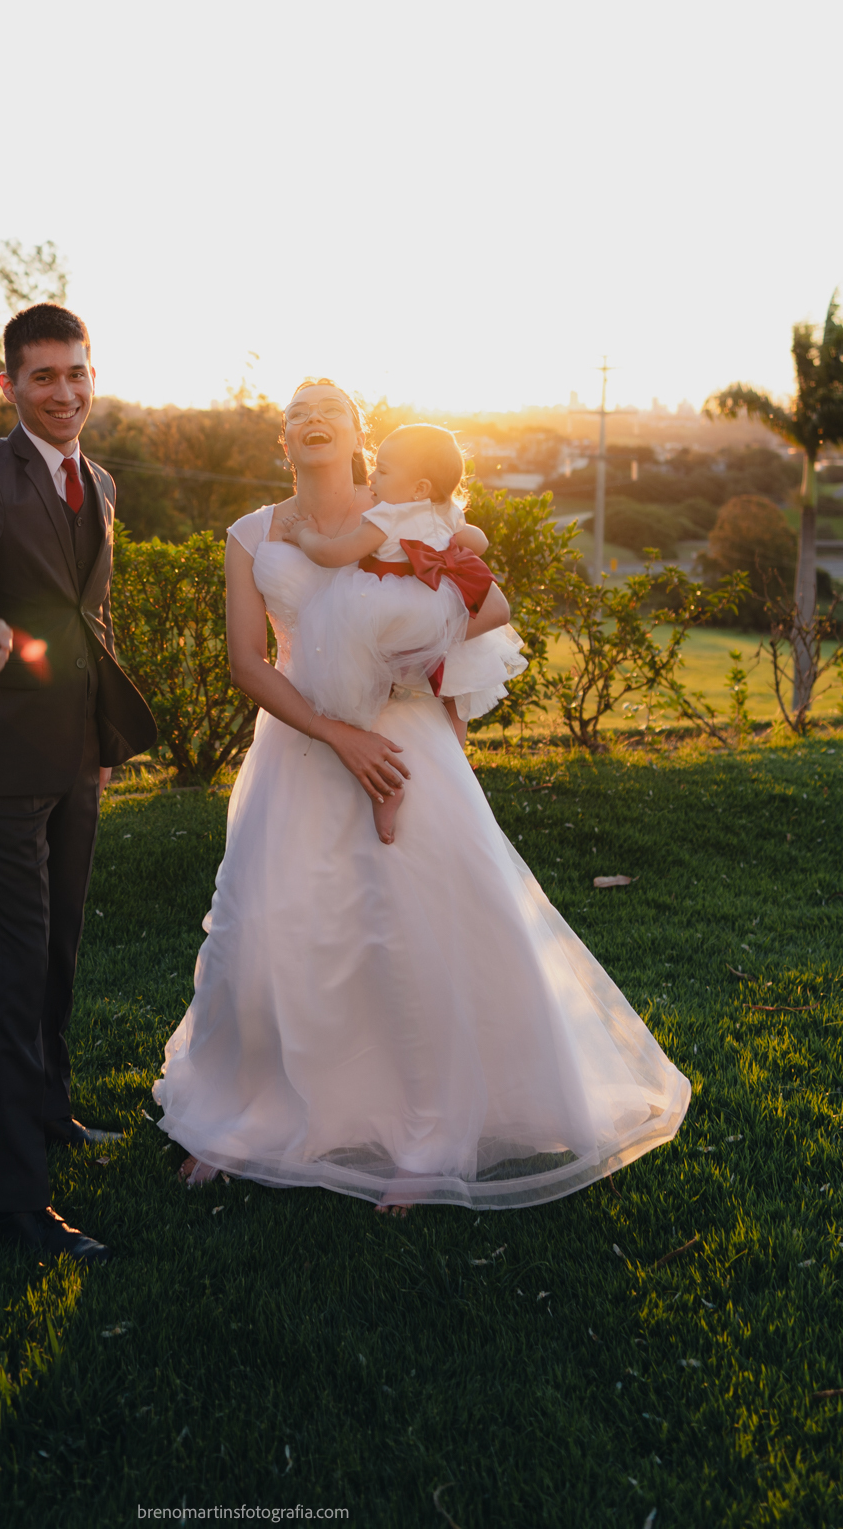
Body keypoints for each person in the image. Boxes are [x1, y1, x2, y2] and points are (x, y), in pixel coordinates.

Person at [152, 378, 689, 1210]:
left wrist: (418, 694)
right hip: (300, 752)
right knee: (269, 931)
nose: (314, 420)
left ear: (362, 434)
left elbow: (484, 610)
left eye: (331, 409)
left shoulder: (410, 511)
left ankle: (429, 1132)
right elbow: (249, 664)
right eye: (297, 415)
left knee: (414, 934)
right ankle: (248, 1116)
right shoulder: (251, 533)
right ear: (281, 444)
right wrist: (341, 734)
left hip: (409, 749)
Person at [0, 302, 157, 1261]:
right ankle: (9, 1202)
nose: (65, 392)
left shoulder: (97, 479)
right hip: (3, 756)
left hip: (73, 755)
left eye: (78, 373)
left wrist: (101, 733)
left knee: (59, 950)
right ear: (10, 383)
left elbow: (85, 618)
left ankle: (49, 1112)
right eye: (44, 376)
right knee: (17, 970)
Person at [287, 419, 526, 842]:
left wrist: (304, 533)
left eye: (383, 470)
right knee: (453, 694)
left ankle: (387, 790)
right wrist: (452, 540)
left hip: (388, 611)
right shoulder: (444, 511)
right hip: (441, 607)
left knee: (360, 684)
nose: (373, 476)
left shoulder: (385, 516)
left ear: (417, 487)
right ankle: (454, 773)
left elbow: (333, 554)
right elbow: (480, 542)